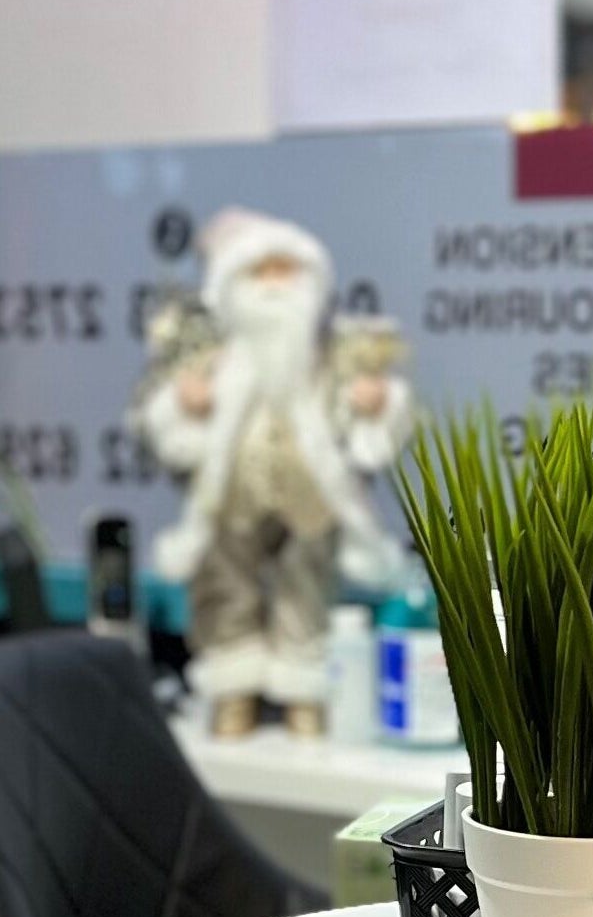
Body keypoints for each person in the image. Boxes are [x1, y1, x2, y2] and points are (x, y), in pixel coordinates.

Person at [130, 210, 415, 739]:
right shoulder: (211, 356)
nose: (274, 287)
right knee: (225, 582)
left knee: (305, 586)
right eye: (261, 274)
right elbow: (161, 416)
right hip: (231, 496)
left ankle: (302, 691)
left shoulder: (331, 356)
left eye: (286, 273)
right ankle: (232, 687)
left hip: (310, 496)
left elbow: (372, 423)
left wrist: (375, 405)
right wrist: (185, 404)